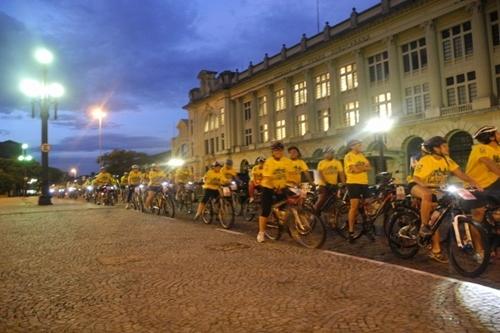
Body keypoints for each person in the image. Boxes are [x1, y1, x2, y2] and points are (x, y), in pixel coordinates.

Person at [410, 136, 482, 263]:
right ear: (436, 148)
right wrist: (426, 185)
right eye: (444, 146)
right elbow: (416, 178)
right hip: (417, 186)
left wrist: (474, 182)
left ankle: (435, 249)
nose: (447, 148)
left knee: (437, 217)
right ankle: (423, 226)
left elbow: (460, 174)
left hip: (436, 189)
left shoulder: (447, 160)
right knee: (426, 195)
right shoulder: (426, 160)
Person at [465, 126, 500, 258]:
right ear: (491, 137)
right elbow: (491, 165)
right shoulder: (480, 148)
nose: (499, 134)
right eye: (497, 133)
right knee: (477, 217)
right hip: (477, 187)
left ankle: (493, 244)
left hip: (493, 187)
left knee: (495, 217)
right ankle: (478, 251)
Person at [257, 141, 293, 243]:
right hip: (268, 187)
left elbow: (291, 174)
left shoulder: (287, 161)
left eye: (280, 150)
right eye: (275, 150)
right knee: (266, 210)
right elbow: (268, 177)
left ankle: (283, 222)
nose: (278, 152)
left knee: (287, 206)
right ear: (272, 152)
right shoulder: (269, 162)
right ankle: (261, 232)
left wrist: (296, 183)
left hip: (281, 187)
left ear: (282, 151)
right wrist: (275, 187)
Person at [344, 139, 372, 243]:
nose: (361, 146)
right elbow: (353, 170)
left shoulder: (362, 155)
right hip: (353, 183)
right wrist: (362, 168)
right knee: (354, 207)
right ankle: (351, 231)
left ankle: (367, 225)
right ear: (352, 146)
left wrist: (359, 167)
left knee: (368, 204)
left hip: (364, 182)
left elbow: (369, 168)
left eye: (361, 144)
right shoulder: (348, 156)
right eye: (358, 145)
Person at [314, 147, 346, 214]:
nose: (329, 155)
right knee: (322, 198)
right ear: (324, 154)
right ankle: (314, 211)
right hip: (324, 185)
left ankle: (331, 216)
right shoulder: (321, 163)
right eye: (327, 153)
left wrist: (344, 183)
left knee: (335, 200)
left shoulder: (337, 162)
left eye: (331, 153)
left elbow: (341, 173)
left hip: (334, 184)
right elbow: (320, 174)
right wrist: (326, 182)